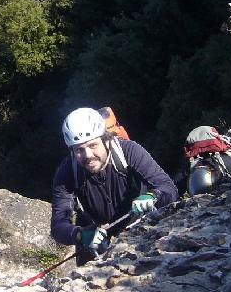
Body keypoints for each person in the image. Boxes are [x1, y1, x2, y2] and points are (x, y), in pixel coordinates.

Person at [50, 107, 178, 265]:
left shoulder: (129, 151)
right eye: (79, 150)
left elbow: (168, 188)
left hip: (140, 230)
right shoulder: (67, 172)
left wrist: (153, 196)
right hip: (95, 242)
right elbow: (58, 226)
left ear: (105, 139)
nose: (88, 155)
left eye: (92, 145)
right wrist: (79, 234)